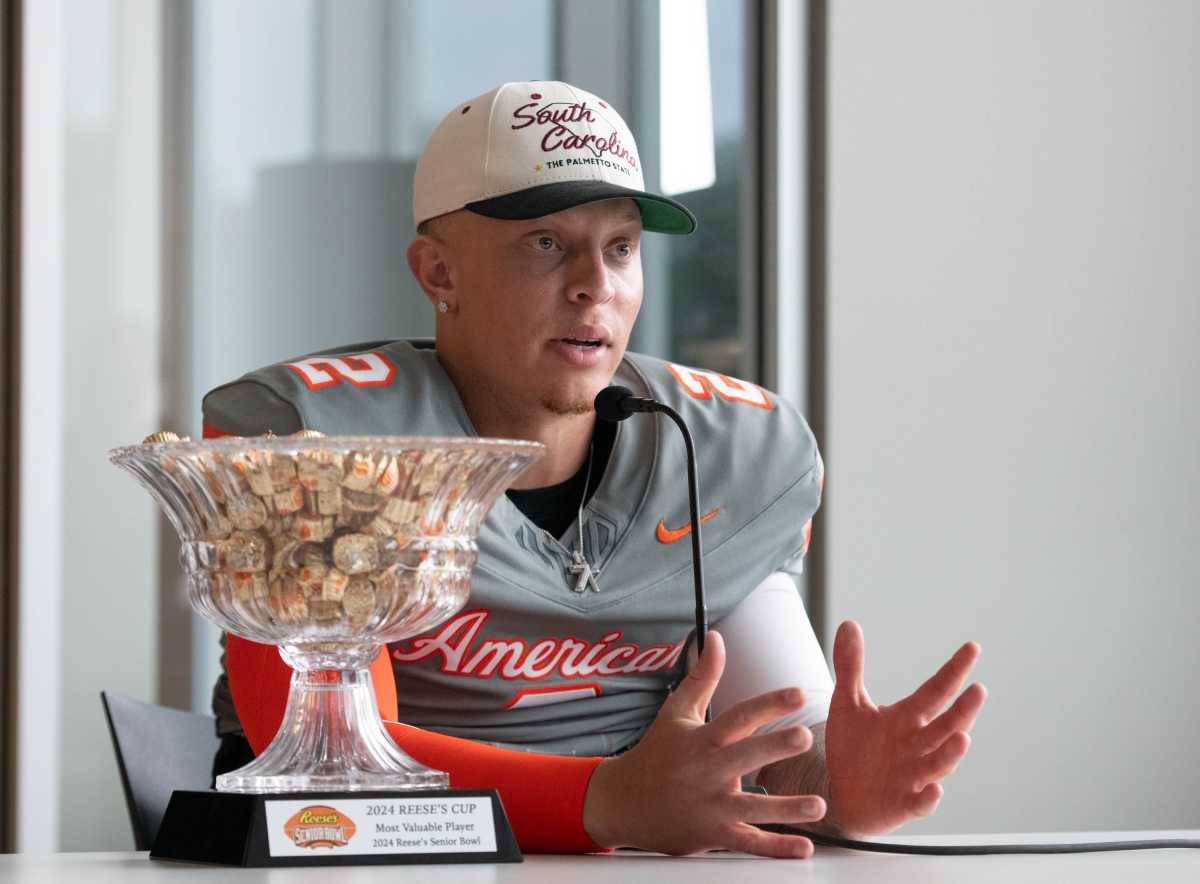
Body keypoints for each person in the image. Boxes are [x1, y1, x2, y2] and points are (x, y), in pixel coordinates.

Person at [204, 81, 987, 858]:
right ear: (439, 274)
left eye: (620, 249)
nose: (595, 285)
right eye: (545, 244)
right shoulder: (316, 442)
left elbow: (775, 746)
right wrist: (600, 802)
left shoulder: (727, 448)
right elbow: (326, 760)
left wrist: (836, 788)